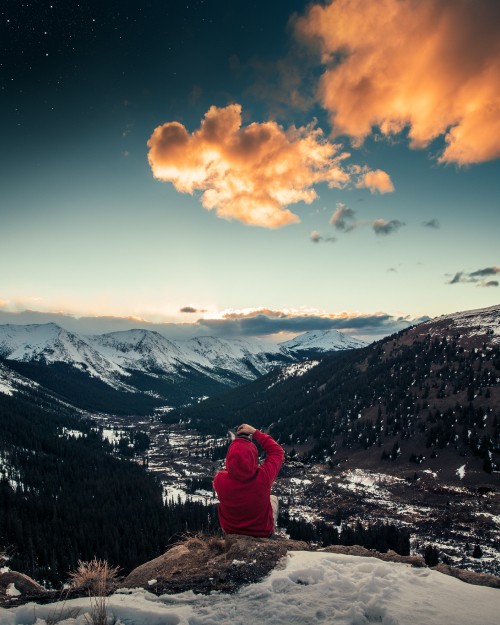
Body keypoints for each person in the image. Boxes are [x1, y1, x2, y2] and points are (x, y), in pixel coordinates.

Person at [213, 423, 284, 537]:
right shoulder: (264, 476)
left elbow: (231, 470)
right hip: (262, 533)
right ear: (253, 456)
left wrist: (235, 457)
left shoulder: (219, 480)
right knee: (273, 498)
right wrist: (255, 432)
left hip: (231, 532)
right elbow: (277, 451)